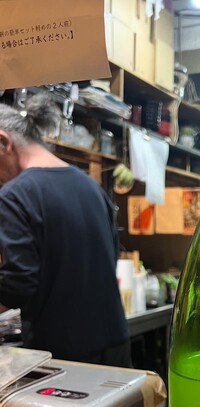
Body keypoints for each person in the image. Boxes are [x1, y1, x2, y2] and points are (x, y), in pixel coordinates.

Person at [0, 91, 131, 367]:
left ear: (4, 142)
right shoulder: (91, 187)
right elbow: (111, 256)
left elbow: (18, 282)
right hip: (115, 342)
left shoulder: (15, 195)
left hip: (63, 354)